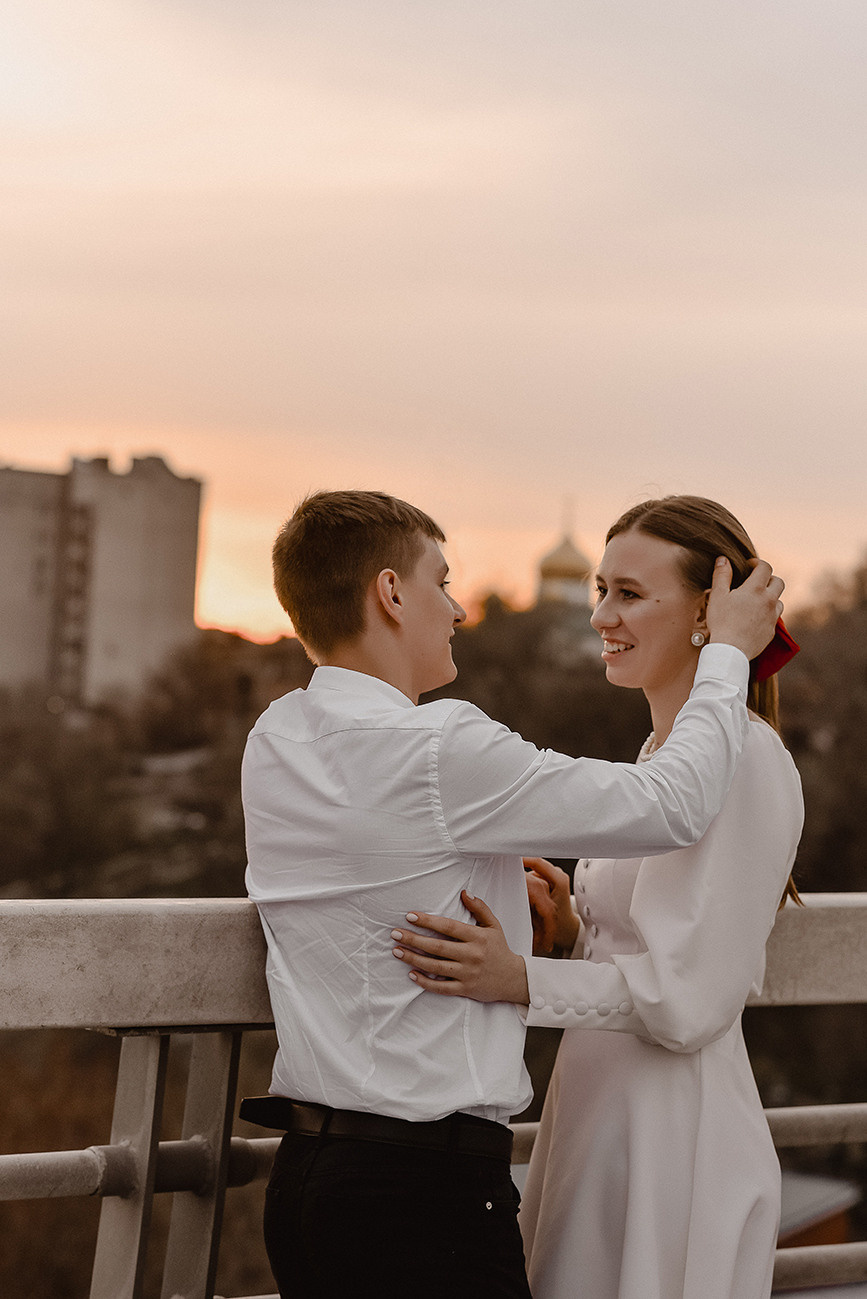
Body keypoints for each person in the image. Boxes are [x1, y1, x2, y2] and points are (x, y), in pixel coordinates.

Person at [241, 489, 784, 1299]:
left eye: (627, 593)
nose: (460, 606)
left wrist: (546, 955)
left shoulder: (276, 735)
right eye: (442, 580)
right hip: (436, 1182)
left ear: (705, 609)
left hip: (321, 1177)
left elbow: (691, 981)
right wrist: (729, 657)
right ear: (390, 593)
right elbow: (673, 805)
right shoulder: (443, 748)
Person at [391, 495, 804, 1299]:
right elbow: (653, 950)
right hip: (599, 1113)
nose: (601, 616)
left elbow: (690, 999)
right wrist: (578, 928)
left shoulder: (747, 760)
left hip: (667, 1138)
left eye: (629, 593)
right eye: (598, 590)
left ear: (705, 615)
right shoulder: (661, 755)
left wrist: (520, 978)